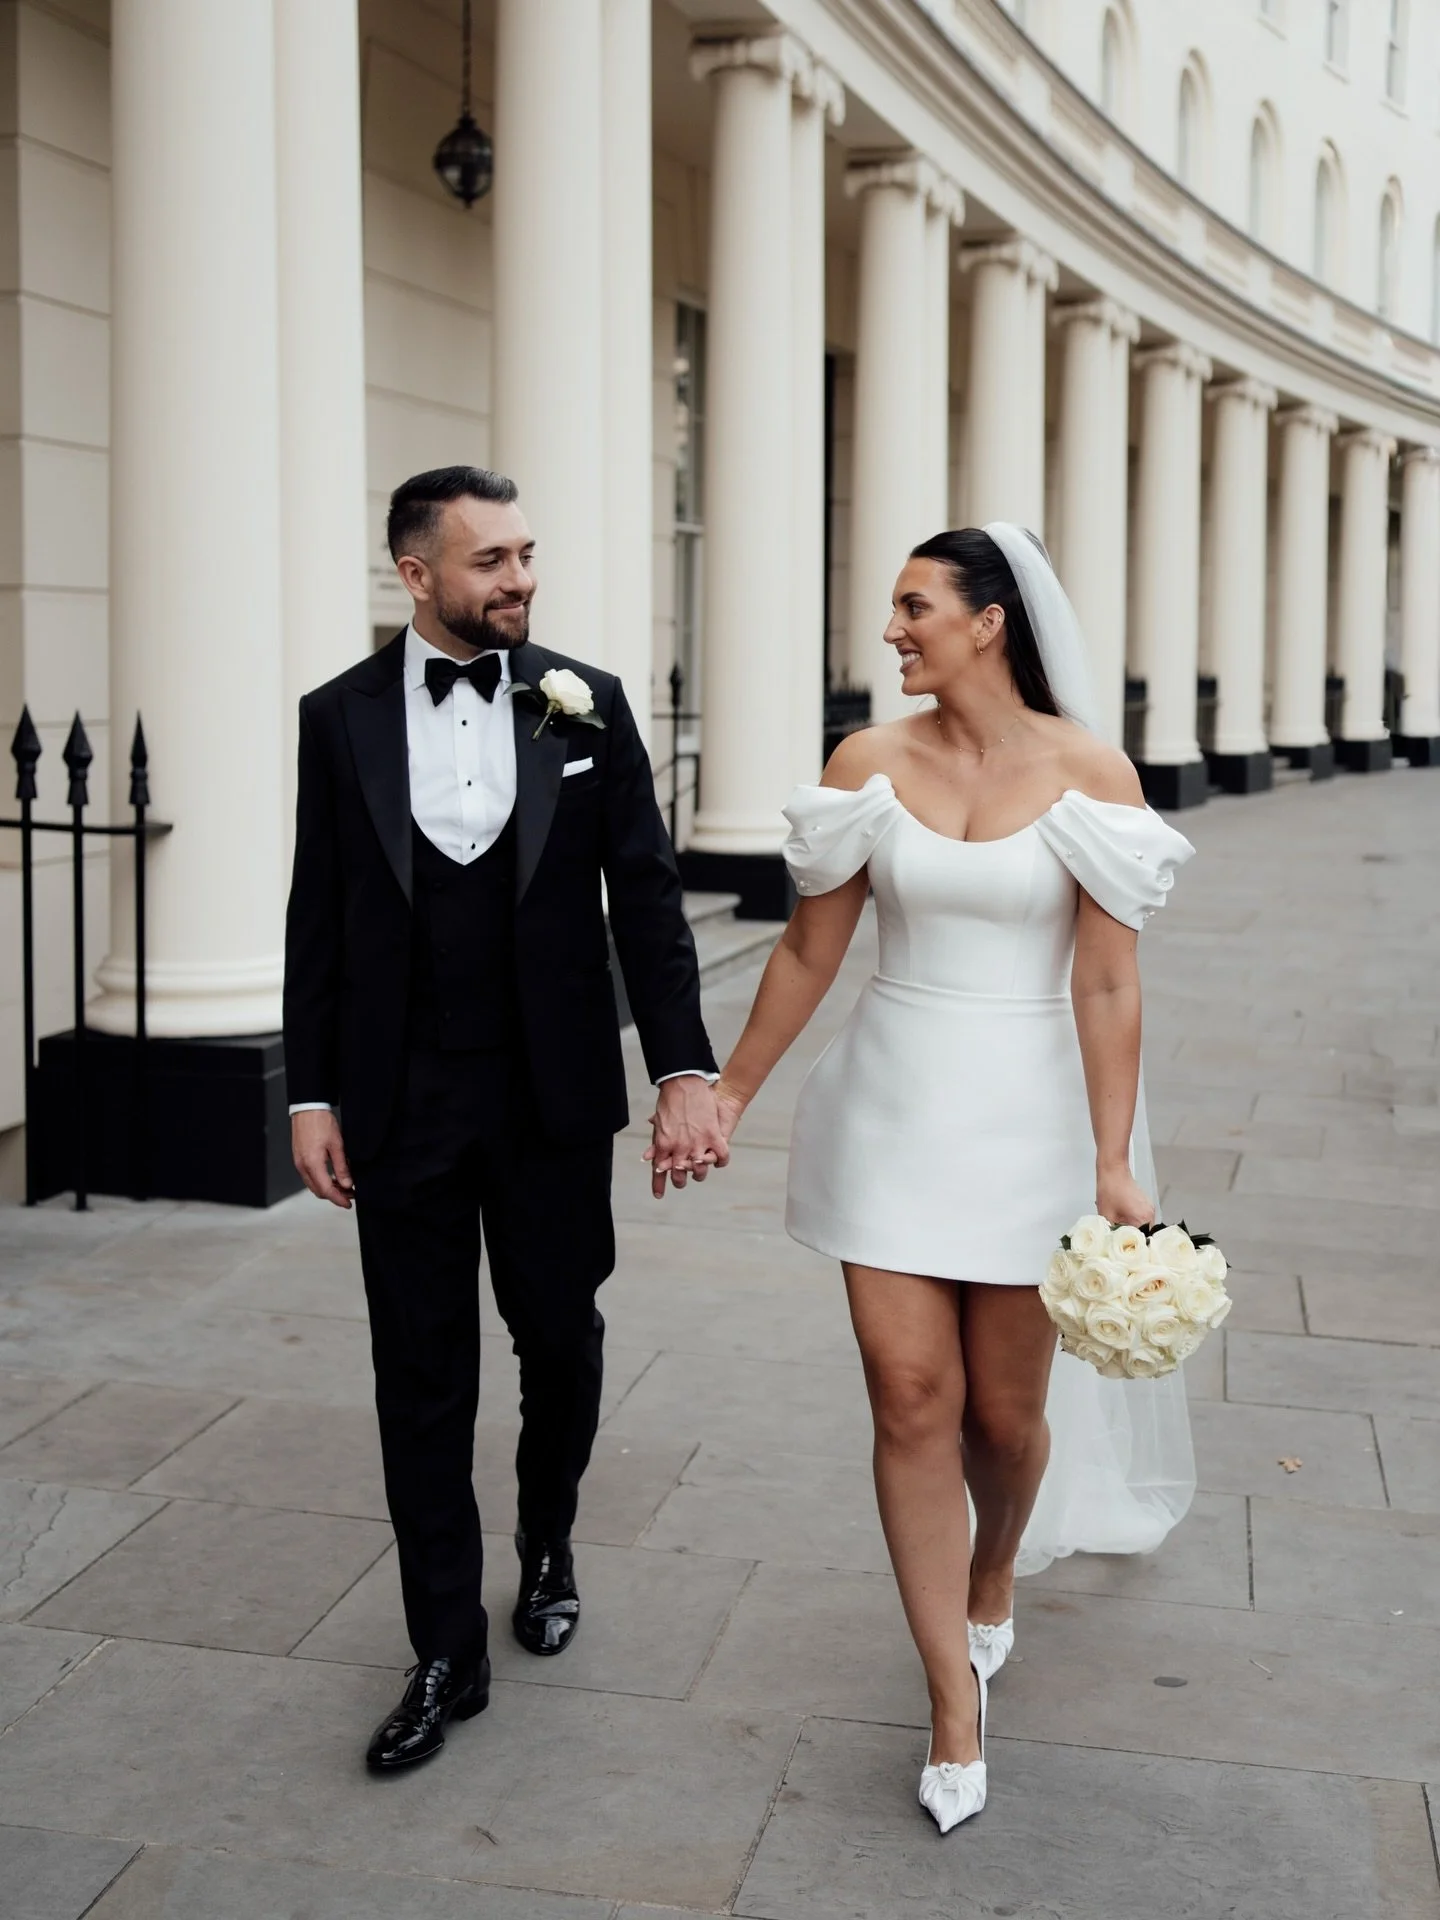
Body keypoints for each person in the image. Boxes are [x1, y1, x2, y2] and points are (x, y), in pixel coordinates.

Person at [693, 524, 1196, 1833]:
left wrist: (1109, 1157)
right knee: (911, 1396)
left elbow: (1105, 977)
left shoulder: (1094, 776)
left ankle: (994, 1566)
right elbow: (808, 954)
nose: (895, 630)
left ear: (990, 621)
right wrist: (735, 1087)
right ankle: (949, 1705)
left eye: (915, 607)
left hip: (1032, 1128)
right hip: (893, 1113)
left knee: (1004, 1421)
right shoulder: (867, 764)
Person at [283, 465, 727, 1772]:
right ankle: (443, 1652)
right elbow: (320, 914)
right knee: (417, 1376)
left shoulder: (581, 704)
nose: (521, 579)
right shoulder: (340, 719)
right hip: (399, 1101)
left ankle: (546, 1544)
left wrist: (683, 1069)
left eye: (527, 554)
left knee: (560, 1342)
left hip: (548, 1096)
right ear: (417, 576)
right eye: (491, 561)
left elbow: (645, 897)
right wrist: (311, 1089)